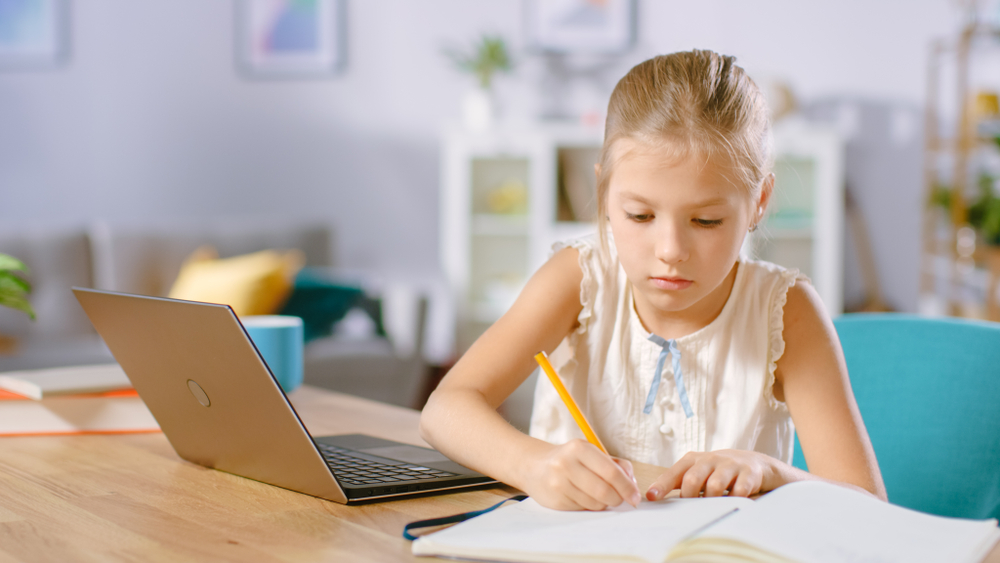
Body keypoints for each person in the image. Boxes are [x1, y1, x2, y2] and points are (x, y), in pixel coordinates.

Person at [420, 49, 887, 511]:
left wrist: (773, 473)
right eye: (640, 215)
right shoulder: (579, 277)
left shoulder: (785, 311)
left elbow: (867, 504)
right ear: (605, 192)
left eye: (706, 221)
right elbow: (445, 410)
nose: (670, 250)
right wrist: (531, 464)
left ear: (760, 201)